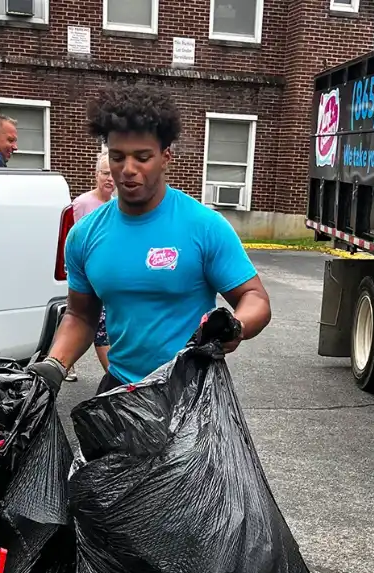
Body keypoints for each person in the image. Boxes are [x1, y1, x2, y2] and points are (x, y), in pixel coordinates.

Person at [31, 82, 271, 397]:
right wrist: (55, 365)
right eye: (117, 157)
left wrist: (235, 326)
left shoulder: (204, 226)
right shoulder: (84, 235)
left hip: (192, 394)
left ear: (165, 156)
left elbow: (255, 298)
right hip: (121, 392)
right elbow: (81, 315)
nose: (127, 170)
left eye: (142, 157)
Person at [64, 151, 115, 382]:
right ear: (96, 175)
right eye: (105, 173)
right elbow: (69, 238)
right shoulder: (82, 204)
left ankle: (63, 361)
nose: (110, 179)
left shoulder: (117, 205)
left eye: (113, 174)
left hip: (108, 276)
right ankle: (117, 379)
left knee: (99, 324)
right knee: (84, 320)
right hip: (83, 274)